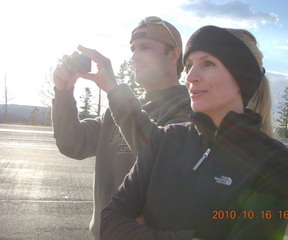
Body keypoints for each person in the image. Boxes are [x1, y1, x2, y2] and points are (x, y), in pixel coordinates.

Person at [100, 25, 288, 240]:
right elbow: (109, 223)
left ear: (241, 75)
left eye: (208, 63)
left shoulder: (274, 161)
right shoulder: (166, 137)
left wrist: (140, 232)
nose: (190, 76)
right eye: (188, 65)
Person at [52, 16, 193, 240]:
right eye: (133, 49)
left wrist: (115, 92)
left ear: (174, 54)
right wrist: (63, 93)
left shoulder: (190, 110)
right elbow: (73, 144)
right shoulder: (119, 108)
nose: (135, 56)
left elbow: (162, 161)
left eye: (145, 48)